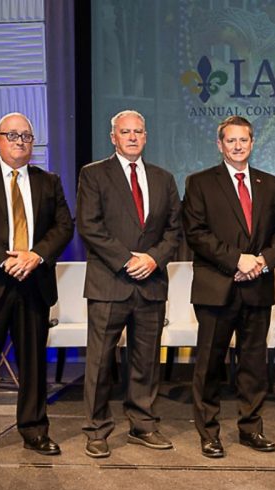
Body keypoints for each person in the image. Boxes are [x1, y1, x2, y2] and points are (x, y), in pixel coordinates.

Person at [0, 112, 73, 463]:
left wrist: (35, 256)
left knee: (34, 364)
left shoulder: (48, 181)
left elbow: (64, 227)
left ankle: (35, 430)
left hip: (33, 283)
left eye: (27, 136)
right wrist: (6, 260)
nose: (20, 141)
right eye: (13, 135)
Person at [76, 110, 181, 458]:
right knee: (100, 361)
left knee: (147, 359)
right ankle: (96, 429)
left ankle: (143, 424)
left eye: (138, 131)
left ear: (146, 136)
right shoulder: (93, 175)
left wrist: (152, 259)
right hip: (110, 281)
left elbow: (173, 231)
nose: (133, 137)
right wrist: (126, 260)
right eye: (125, 132)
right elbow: (90, 226)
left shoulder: (164, 178)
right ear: (113, 137)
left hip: (151, 282)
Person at [182, 116, 275, 459]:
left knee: (254, 364)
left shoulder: (270, 184)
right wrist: (237, 261)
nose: (237, 146)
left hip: (258, 286)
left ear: (252, 143)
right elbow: (195, 234)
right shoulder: (199, 183)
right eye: (231, 140)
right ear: (220, 144)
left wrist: (260, 262)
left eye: (243, 140)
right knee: (209, 364)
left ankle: (251, 429)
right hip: (216, 287)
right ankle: (209, 433)